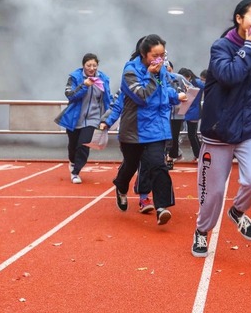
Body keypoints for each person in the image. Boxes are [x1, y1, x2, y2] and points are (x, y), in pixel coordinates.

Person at [191, 0, 251, 257]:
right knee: (213, 191)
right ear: (239, 19)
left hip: (248, 129)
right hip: (219, 131)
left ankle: (237, 211)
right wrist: (249, 46)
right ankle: (202, 230)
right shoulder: (221, 47)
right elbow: (230, 76)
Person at [100, 35, 185, 226]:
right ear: (144, 54)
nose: (159, 60)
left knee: (158, 165)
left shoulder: (162, 70)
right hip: (134, 130)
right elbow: (142, 96)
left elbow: (165, 91)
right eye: (155, 55)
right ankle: (121, 187)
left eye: (162, 55)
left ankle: (161, 207)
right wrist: (151, 75)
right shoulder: (130, 71)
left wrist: (176, 95)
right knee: (130, 165)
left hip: (156, 128)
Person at [55, 53, 112, 184]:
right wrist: (84, 85)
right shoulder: (74, 77)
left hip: (93, 118)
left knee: (84, 144)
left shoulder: (103, 79)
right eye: (88, 65)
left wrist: (108, 117)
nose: (91, 68)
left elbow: (107, 99)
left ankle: (75, 172)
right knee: (73, 146)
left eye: (94, 65)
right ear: (83, 66)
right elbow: (70, 95)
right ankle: (72, 162)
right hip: (75, 118)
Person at [165, 60, 190, 169]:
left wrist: (184, 101)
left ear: (172, 68)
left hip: (177, 114)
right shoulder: (157, 78)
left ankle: (170, 157)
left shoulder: (178, 78)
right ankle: (166, 156)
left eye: (168, 68)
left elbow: (191, 89)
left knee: (174, 137)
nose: (166, 71)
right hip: (163, 113)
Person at [177, 67, 204, 161]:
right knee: (192, 134)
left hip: (193, 111)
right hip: (187, 110)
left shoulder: (198, 83)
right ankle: (198, 154)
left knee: (192, 134)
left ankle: (198, 155)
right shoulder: (192, 83)